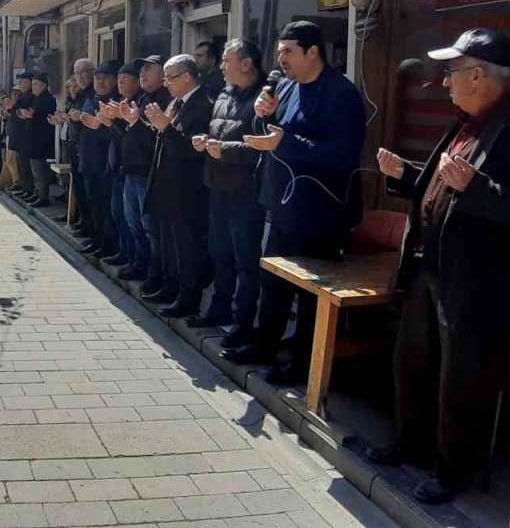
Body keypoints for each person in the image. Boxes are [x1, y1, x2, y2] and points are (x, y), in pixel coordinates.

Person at [370, 28, 510, 504]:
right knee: (413, 363)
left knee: (461, 380)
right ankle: (409, 445)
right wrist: (406, 178)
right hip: (431, 268)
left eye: (452, 73)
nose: (444, 83)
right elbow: (443, 189)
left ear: (478, 75)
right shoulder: (464, 123)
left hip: (479, 283)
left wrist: (479, 189)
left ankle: (451, 470)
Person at [220, 21, 367, 387]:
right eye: (279, 52)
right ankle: (264, 347)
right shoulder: (283, 86)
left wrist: (285, 144)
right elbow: (268, 131)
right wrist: (261, 112)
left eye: (288, 51)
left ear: (312, 52)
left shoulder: (341, 94)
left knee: (308, 295)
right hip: (282, 202)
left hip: (321, 211)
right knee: (274, 286)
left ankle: (302, 364)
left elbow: (342, 153)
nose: (280, 59)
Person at [188, 38, 265, 330]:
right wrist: (205, 143)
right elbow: (219, 132)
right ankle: (219, 309)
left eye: (226, 60)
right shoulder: (224, 94)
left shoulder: (265, 99)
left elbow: (265, 147)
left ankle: (243, 321)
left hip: (247, 191)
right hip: (217, 186)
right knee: (220, 253)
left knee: (245, 260)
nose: (221, 66)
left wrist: (226, 149)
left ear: (246, 64)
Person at [141, 54, 213, 317]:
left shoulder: (203, 105)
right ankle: (170, 287)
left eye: (169, 78)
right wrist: (157, 127)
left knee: (187, 248)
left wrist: (166, 128)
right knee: (168, 244)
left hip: (187, 190)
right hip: (166, 186)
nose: (166, 83)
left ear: (186, 77)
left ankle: (188, 297)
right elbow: (166, 138)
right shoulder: (177, 102)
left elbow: (193, 149)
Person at [116, 57, 171, 298]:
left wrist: (135, 121)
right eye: (141, 70)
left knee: (151, 230)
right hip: (131, 172)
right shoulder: (141, 99)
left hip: (149, 175)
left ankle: (154, 273)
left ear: (163, 75)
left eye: (149, 69)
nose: (143, 74)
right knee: (133, 223)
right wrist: (112, 122)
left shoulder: (165, 101)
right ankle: (139, 264)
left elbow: (155, 140)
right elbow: (129, 134)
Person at [100, 64, 142, 270]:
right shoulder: (119, 102)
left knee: (136, 223)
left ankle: (137, 261)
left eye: (126, 78)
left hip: (134, 171)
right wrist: (110, 122)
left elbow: (133, 138)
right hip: (117, 167)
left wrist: (119, 120)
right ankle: (125, 253)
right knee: (119, 215)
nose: (121, 82)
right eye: (119, 79)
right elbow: (120, 137)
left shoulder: (139, 104)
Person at [77, 62, 120, 260]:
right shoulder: (90, 98)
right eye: (97, 78)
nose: (100, 82)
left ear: (114, 81)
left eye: (105, 78)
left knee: (107, 208)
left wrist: (105, 124)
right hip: (88, 159)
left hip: (107, 163)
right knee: (93, 203)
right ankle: (95, 239)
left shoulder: (117, 103)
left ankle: (108, 244)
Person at [65, 59, 98, 249]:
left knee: (92, 195)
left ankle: (94, 232)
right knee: (81, 191)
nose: (80, 76)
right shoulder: (80, 94)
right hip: (77, 147)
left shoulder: (95, 94)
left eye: (83, 72)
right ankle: (85, 225)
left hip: (91, 151)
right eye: (77, 73)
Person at [20, 73, 57, 207]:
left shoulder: (48, 99)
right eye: (33, 84)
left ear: (44, 86)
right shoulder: (36, 99)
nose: (33, 87)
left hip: (42, 141)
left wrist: (31, 116)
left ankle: (43, 196)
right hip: (32, 139)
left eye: (36, 84)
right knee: (34, 169)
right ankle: (36, 193)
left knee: (40, 171)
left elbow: (46, 118)